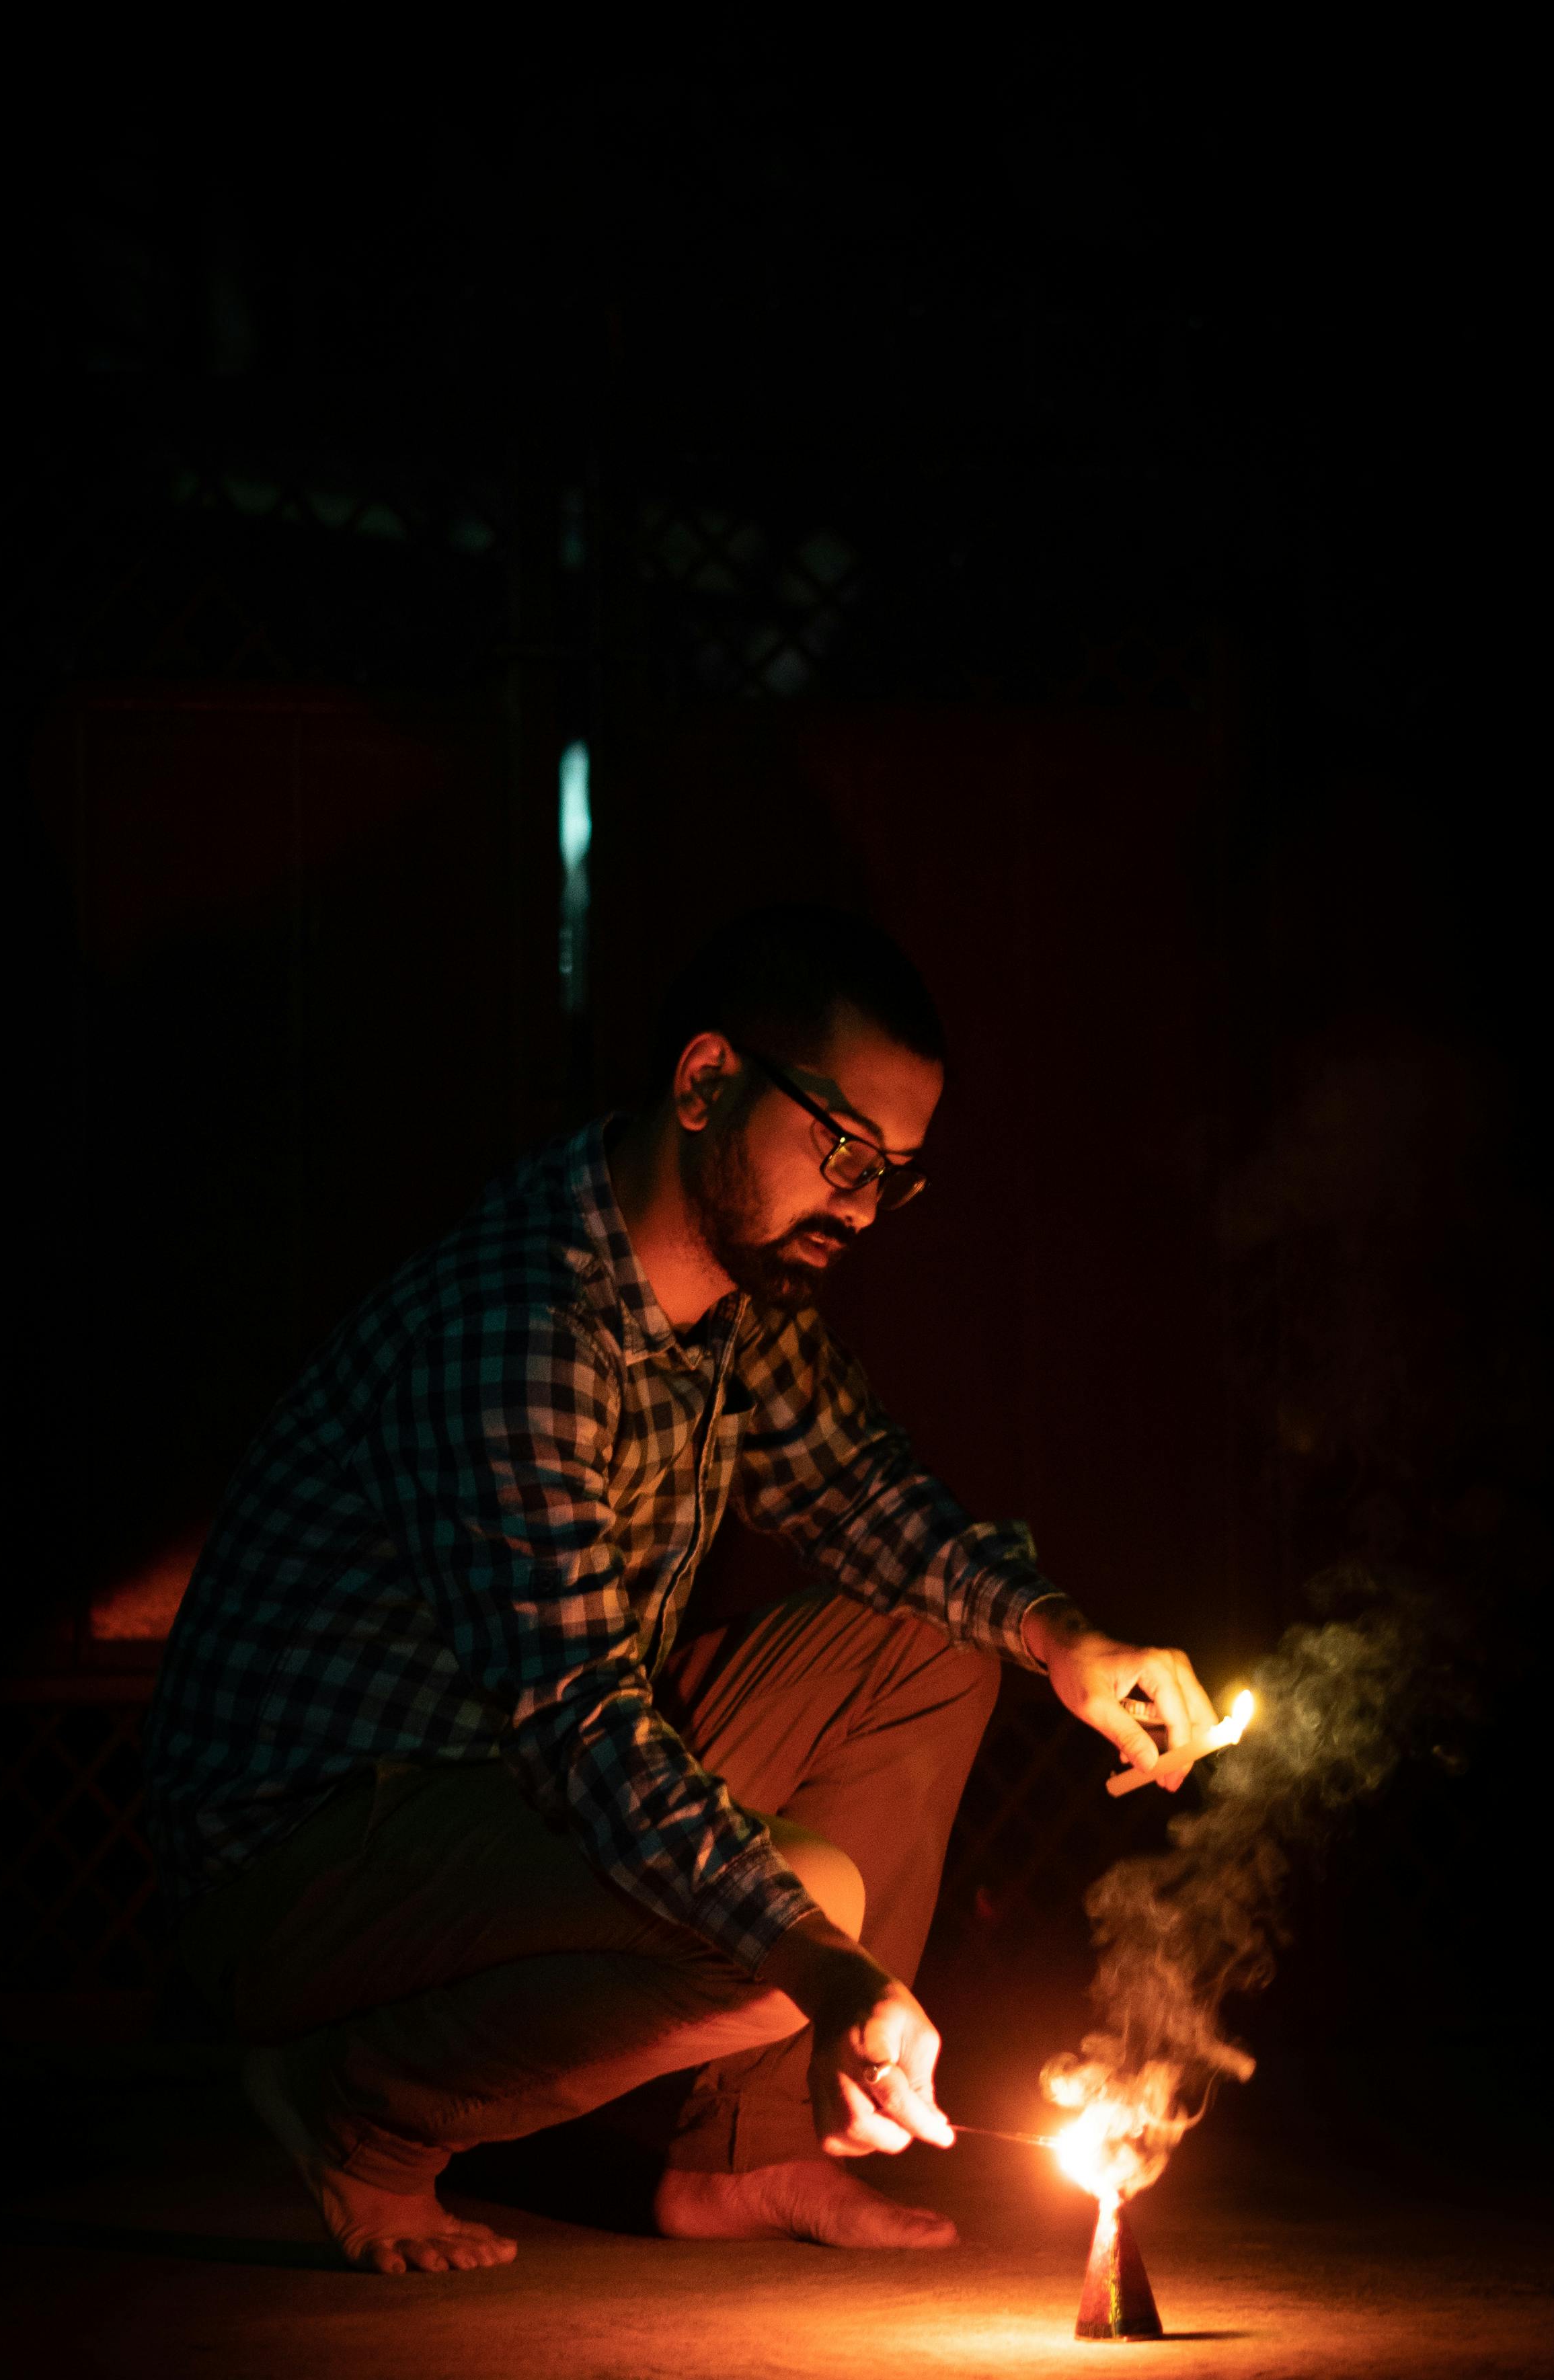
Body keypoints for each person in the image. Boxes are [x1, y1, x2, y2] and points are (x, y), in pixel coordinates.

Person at [146, 905, 1218, 2274]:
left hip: (509, 1791)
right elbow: (582, 1731)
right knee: (794, 1906)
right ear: (707, 1081)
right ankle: (354, 2108)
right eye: (842, 1149)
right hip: (309, 1856)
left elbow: (873, 1503)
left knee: (943, 1636)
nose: (861, 1202)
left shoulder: (739, 1301)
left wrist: (1066, 1637)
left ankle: (746, 2155)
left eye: (895, 1172)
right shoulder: (524, 1329)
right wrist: (827, 1971)